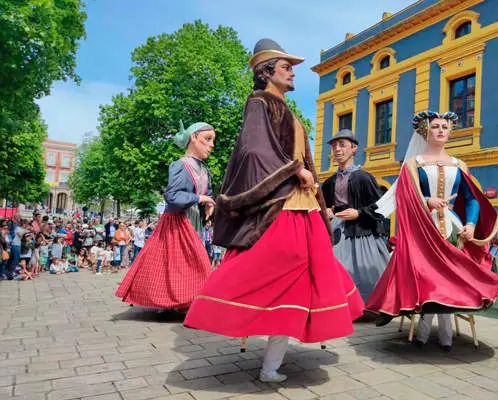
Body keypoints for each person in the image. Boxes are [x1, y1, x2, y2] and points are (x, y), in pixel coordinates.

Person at [183, 39, 364, 383]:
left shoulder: (284, 106)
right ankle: (262, 356)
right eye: (286, 67)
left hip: (304, 205)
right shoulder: (260, 102)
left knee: (303, 280)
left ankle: (271, 365)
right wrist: (295, 170)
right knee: (278, 274)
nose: (293, 72)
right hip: (286, 206)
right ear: (266, 73)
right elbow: (253, 151)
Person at [368, 111, 498, 349]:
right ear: (426, 130)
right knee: (430, 280)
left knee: (449, 280)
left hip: (453, 228)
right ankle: (425, 334)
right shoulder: (413, 164)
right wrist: (427, 201)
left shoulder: (459, 164)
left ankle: (443, 336)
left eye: (444, 127)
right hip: (425, 227)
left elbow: (471, 199)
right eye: (435, 126)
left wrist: (470, 224)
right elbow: (405, 197)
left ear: (450, 132)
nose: (440, 130)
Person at [115, 120, 215, 309]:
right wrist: (201, 198)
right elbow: (173, 196)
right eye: (207, 139)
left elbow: (207, 193)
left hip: (195, 222)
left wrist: (209, 203)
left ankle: (190, 300)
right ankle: (170, 301)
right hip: (177, 222)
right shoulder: (180, 165)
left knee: (191, 263)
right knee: (176, 264)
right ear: (193, 138)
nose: (212, 145)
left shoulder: (205, 170)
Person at [321, 129, 389, 302]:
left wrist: (358, 213)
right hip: (335, 233)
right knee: (333, 269)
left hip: (361, 233)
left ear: (354, 148)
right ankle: (340, 306)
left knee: (365, 272)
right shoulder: (328, 183)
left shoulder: (364, 178)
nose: (337, 149)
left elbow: (382, 207)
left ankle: (365, 306)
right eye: (334, 146)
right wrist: (326, 211)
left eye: (342, 145)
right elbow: (322, 207)